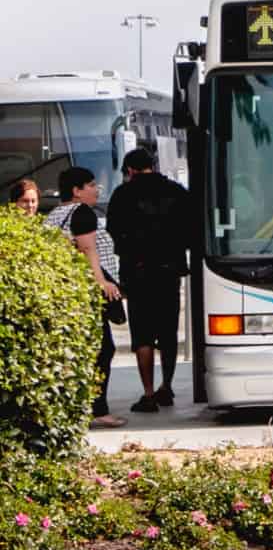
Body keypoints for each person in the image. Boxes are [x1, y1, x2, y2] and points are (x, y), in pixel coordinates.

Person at [107, 149, 191, 412]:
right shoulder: (176, 191)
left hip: (137, 273)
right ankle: (167, 386)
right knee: (167, 333)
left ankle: (148, 393)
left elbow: (113, 230)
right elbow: (190, 227)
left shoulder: (122, 194)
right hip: (169, 272)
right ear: (152, 166)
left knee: (142, 334)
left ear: (130, 169)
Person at [46, 167, 124, 428]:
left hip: (66, 291)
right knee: (103, 349)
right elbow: (88, 248)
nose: (96, 189)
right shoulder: (82, 213)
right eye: (90, 185)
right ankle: (97, 408)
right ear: (76, 191)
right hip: (87, 292)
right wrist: (101, 282)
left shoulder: (55, 214)